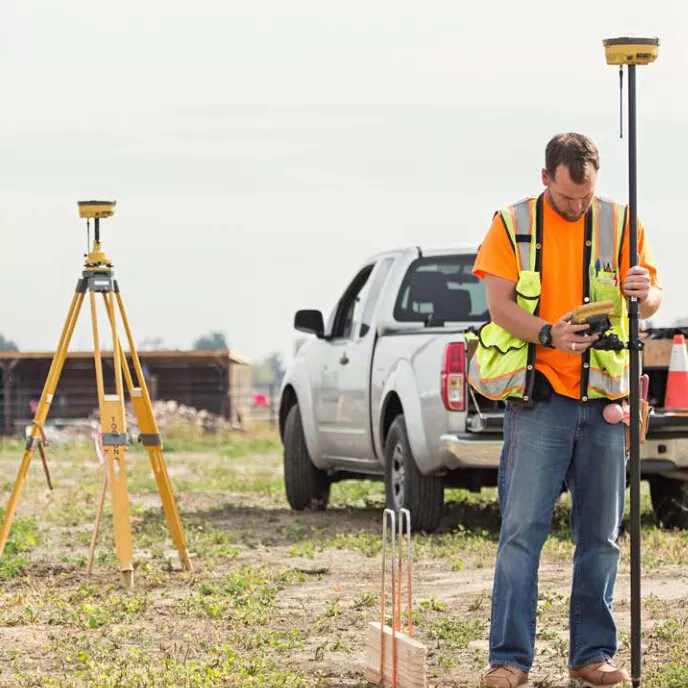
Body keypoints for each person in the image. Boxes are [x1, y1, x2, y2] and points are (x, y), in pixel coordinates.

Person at [469, 132, 662, 688]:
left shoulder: (621, 222)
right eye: (568, 196)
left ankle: (591, 656)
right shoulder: (512, 224)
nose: (578, 207)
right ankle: (508, 661)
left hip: (605, 405)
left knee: (601, 536)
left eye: (586, 197)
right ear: (546, 177)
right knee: (521, 533)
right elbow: (500, 306)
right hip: (541, 404)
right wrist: (550, 334)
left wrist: (643, 290)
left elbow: (652, 299)